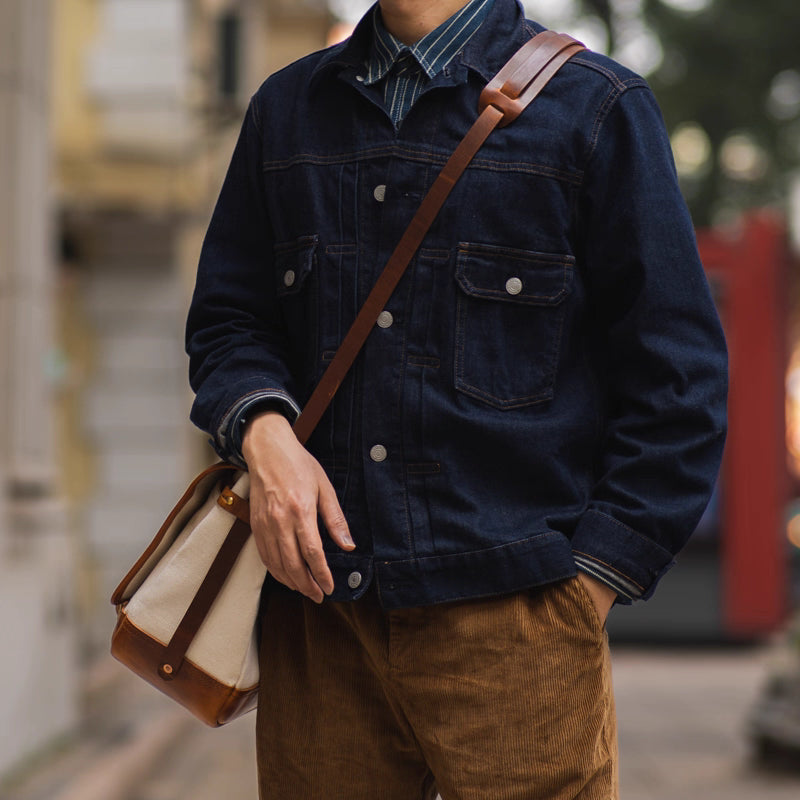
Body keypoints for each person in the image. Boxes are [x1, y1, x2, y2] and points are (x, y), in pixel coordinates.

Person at [185, 0, 727, 797]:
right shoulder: (287, 111)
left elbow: (679, 376)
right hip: (319, 622)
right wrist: (266, 438)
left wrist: (589, 585)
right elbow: (230, 323)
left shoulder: (597, 108)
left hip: (518, 622)